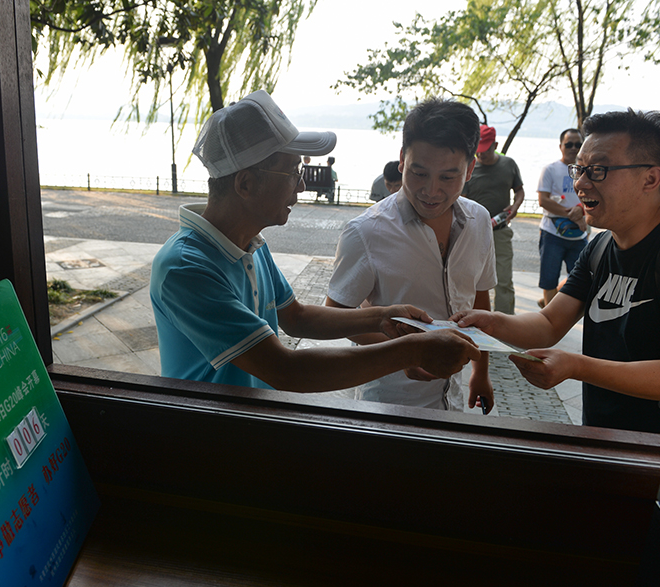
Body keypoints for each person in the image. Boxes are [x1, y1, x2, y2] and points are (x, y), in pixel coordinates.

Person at [150, 89, 481, 394]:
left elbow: (298, 317)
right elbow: (285, 370)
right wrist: (411, 351)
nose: (302, 185)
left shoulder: (250, 245)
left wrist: (381, 317)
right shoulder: (186, 268)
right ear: (245, 184)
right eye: (293, 171)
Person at [453, 109, 660, 435]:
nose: (580, 183)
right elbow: (549, 323)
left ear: (650, 179)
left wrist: (576, 366)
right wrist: (491, 323)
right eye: (579, 168)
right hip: (600, 435)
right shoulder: (600, 246)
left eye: (598, 170)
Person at [326, 98, 497, 412]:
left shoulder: (479, 221)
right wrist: (403, 355)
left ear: (470, 169)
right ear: (402, 160)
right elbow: (335, 317)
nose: (431, 191)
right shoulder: (366, 231)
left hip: (453, 401)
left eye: (448, 177)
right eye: (419, 173)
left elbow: (479, 301)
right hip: (388, 403)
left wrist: (481, 372)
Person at [460, 125, 525, 314]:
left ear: (495, 145)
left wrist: (515, 206)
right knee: (471, 281)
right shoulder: (468, 167)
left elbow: (519, 190)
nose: (481, 155)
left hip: (500, 232)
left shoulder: (508, 164)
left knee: (504, 280)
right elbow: (461, 199)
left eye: (485, 150)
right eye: (477, 151)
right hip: (472, 232)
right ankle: (472, 319)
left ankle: (505, 323)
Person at [536, 129, 588, 308]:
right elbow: (543, 200)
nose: (573, 148)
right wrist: (572, 215)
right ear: (561, 146)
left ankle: (548, 303)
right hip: (552, 233)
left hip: (579, 235)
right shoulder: (550, 170)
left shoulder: (587, 172)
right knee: (549, 279)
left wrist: (580, 211)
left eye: (578, 144)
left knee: (581, 278)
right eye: (569, 144)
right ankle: (548, 317)